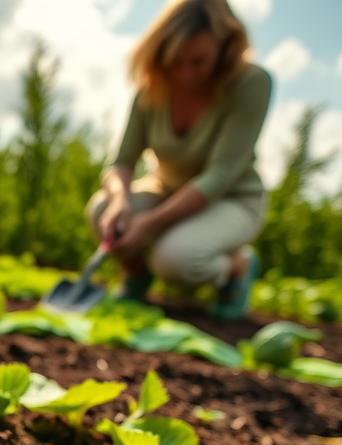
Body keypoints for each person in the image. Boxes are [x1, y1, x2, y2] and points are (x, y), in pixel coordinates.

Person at [87, 0, 272, 319]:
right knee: (102, 210)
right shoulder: (152, 89)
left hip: (231, 199)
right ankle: (136, 276)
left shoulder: (250, 84)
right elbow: (122, 163)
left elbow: (220, 175)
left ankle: (237, 267)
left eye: (198, 62)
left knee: (176, 260)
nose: (186, 73)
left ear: (224, 47)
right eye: (177, 62)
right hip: (167, 189)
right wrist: (120, 201)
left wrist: (149, 224)